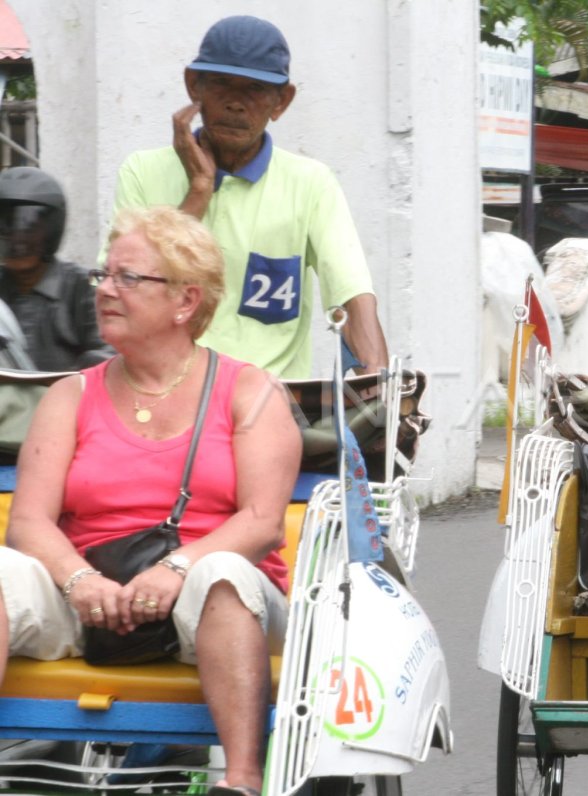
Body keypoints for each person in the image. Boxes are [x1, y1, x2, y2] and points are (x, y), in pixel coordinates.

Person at [0, 206, 301, 794]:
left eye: (127, 278)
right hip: (90, 594)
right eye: (103, 276)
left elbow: (264, 521)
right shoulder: (70, 395)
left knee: (221, 573)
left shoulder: (250, 390)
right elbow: (29, 522)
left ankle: (241, 781)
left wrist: (176, 567)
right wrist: (79, 580)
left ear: (185, 301)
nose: (106, 290)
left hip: (214, 602)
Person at [105, 15, 387, 379]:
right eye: (222, 84)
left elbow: (353, 296)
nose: (236, 103)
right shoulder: (141, 172)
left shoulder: (311, 183)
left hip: (270, 405)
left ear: (281, 101)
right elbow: (130, 291)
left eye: (254, 88)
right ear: (194, 86)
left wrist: (380, 390)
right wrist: (199, 192)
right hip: (164, 392)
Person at [0, 167, 111, 371]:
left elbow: (109, 355)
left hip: (69, 400)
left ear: (51, 229)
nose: (16, 237)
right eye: (6, 225)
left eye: (28, 226)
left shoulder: (83, 288)